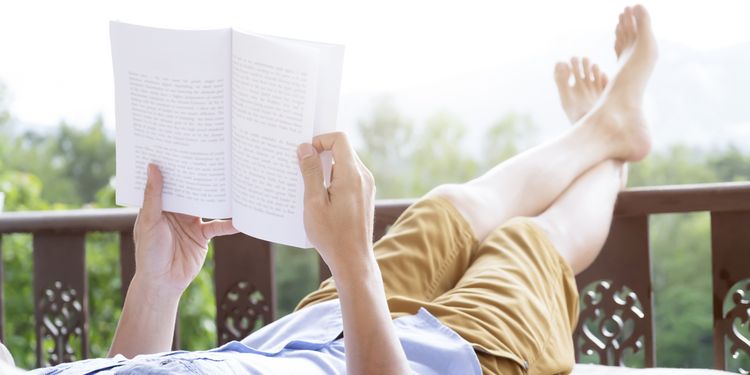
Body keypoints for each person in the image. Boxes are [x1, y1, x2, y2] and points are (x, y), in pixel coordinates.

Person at [1, 4, 657, 374]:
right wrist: (352, 260)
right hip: (455, 362)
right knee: (528, 243)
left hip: (312, 334)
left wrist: (159, 282)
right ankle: (612, 141)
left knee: (448, 210)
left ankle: (601, 130)